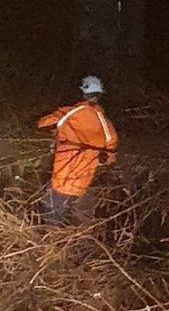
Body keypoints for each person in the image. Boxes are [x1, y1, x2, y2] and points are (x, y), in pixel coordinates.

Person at [36, 75, 118, 225]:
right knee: (80, 225)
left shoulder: (68, 113)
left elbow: (41, 124)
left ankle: (49, 244)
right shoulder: (106, 124)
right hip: (85, 185)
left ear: (82, 93)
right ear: (99, 96)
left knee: (50, 215)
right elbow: (110, 156)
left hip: (63, 180)